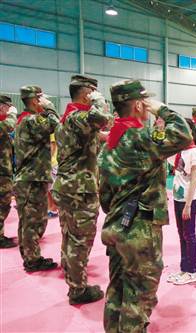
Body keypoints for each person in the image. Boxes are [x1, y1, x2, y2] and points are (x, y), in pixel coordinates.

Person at [99, 79, 192, 332]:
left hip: (115, 225)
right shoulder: (140, 138)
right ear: (139, 104)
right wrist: (162, 109)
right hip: (139, 228)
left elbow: (104, 196)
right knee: (140, 295)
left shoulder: (110, 142)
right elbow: (184, 134)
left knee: (117, 291)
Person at [52, 75, 112, 305]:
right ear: (87, 93)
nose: (96, 94)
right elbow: (102, 119)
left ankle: (71, 272)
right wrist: (100, 101)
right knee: (80, 240)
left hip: (69, 186)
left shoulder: (68, 117)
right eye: (94, 91)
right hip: (79, 189)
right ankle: (77, 290)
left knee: (70, 236)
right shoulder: (79, 116)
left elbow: (98, 135)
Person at [15, 86, 59, 271]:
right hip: (31, 179)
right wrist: (50, 107)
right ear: (35, 100)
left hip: (32, 178)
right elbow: (55, 124)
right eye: (41, 99)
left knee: (28, 221)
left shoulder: (27, 120)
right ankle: (32, 260)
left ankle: (30, 257)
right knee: (33, 222)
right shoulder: (30, 120)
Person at [166, 119, 196, 285]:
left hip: (189, 199)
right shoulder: (179, 150)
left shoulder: (194, 152)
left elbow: (194, 180)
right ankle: (184, 269)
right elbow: (164, 154)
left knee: (189, 234)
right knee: (181, 235)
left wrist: (188, 205)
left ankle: (191, 271)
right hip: (177, 197)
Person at [0, 95, 17, 248]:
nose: (8, 109)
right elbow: (9, 125)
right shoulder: (3, 123)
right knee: (2, 204)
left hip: (4, 171)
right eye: (7, 106)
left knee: (4, 204)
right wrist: (12, 114)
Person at [47, 133, 59, 218]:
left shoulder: (52, 132)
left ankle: (54, 209)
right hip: (48, 163)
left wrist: (49, 160)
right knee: (48, 188)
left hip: (53, 162)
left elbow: (53, 146)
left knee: (52, 188)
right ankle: (50, 208)